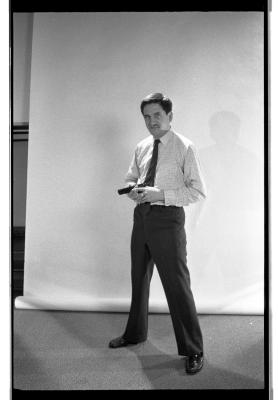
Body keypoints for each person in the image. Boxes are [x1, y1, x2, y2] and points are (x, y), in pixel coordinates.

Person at [109, 93, 207, 374]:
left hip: (168, 221)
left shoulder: (185, 147)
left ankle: (193, 350)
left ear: (170, 116)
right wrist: (133, 191)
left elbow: (197, 191)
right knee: (138, 278)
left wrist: (160, 194)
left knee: (176, 286)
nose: (152, 122)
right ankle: (135, 334)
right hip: (141, 218)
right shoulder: (141, 146)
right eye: (147, 117)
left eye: (157, 116)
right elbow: (131, 177)